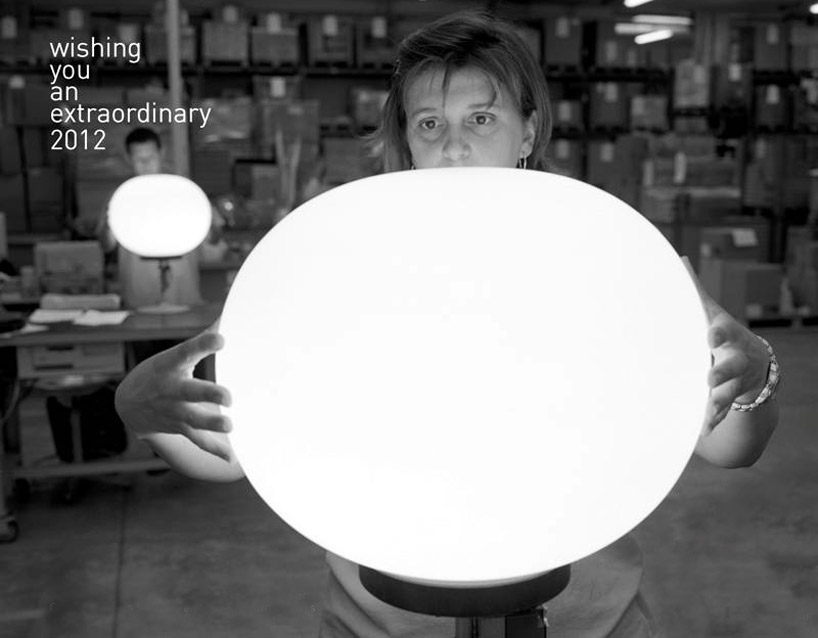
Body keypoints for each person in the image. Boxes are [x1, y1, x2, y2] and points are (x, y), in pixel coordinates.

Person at [114, 12, 781, 638]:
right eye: (429, 122)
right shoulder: (332, 268)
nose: (454, 145)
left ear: (528, 131)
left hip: (588, 623)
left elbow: (729, 447)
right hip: (379, 625)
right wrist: (145, 411)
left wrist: (751, 378)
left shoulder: (615, 264)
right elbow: (234, 453)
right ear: (406, 138)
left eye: (481, 118)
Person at [97, 126, 203, 310]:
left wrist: (211, 224)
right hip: (139, 295)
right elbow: (106, 246)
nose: (146, 164)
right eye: (139, 159)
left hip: (183, 293)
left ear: (162, 153)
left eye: (151, 157)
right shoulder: (120, 198)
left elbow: (214, 238)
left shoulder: (184, 192)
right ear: (128, 159)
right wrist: (108, 224)